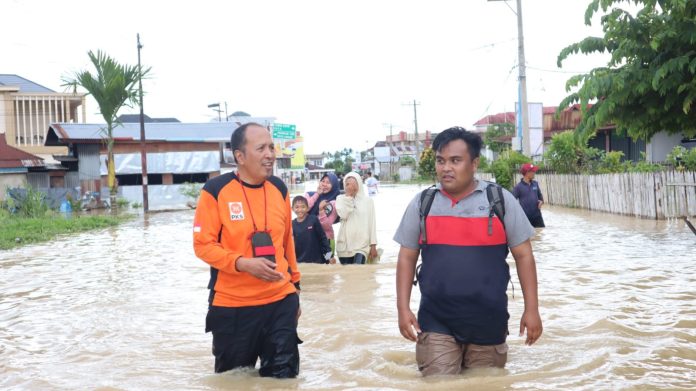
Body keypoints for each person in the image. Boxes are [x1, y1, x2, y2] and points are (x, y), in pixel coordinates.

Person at [393, 126, 542, 377]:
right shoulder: (422, 204)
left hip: (489, 320)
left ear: (474, 163)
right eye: (441, 161)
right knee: (439, 382)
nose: (446, 168)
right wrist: (402, 309)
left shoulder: (500, 201)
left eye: (455, 160)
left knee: (485, 382)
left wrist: (532, 309)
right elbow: (406, 257)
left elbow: (524, 256)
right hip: (436, 320)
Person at [192, 122, 302, 378]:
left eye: (271, 147)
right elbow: (202, 245)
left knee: (283, 380)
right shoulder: (215, 191)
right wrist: (242, 263)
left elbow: (287, 243)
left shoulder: (279, 189)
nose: (270, 154)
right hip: (233, 307)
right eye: (261, 148)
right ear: (239, 156)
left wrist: (295, 286)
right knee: (235, 379)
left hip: (280, 302)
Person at [335, 172, 378, 265]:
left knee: (358, 270)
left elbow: (372, 223)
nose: (350, 186)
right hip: (344, 246)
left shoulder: (368, 201)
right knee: (348, 276)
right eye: (347, 184)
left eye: (353, 183)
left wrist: (373, 245)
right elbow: (344, 214)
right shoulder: (340, 199)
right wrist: (349, 197)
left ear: (359, 184)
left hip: (362, 246)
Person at [292, 195, 334, 264]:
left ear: (307, 208)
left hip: (317, 261)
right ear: (292, 209)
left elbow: (323, 239)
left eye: (303, 207)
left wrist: (329, 257)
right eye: (297, 207)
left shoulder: (313, 219)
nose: (300, 209)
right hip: (300, 262)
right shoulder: (292, 224)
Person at [303, 173, 340, 249]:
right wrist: (317, 194)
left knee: (328, 259)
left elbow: (326, 225)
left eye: (328, 183)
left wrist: (321, 211)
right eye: (323, 181)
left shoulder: (333, 203)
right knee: (310, 260)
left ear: (334, 186)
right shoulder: (309, 195)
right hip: (309, 239)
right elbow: (304, 210)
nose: (324, 184)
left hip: (326, 241)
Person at [512, 163, 545, 228]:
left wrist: (541, 202)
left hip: (537, 216)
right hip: (525, 218)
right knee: (529, 237)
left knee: (540, 234)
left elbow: (540, 197)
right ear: (527, 173)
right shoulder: (518, 187)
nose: (534, 172)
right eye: (532, 171)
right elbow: (512, 201)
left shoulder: (535, 184)